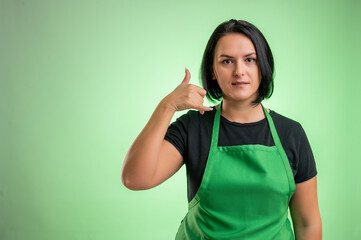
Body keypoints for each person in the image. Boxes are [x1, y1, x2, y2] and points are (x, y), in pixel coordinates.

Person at [121, 19, 322, 239]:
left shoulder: (291, 133)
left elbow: (307, 222)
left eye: (250, 60)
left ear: (262, 66)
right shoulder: (193, 127)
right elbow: (135, 178)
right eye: (227, 61)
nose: (239, 71)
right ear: (213, 71)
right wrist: (167, 106)